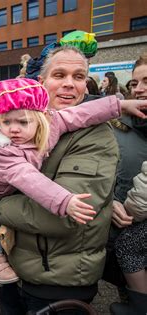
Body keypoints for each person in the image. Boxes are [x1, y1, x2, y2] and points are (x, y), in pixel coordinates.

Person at [0, 45, 131, 313]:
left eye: (79, 77)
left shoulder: (93, 136)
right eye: (60, 75)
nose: (69, 84)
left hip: (56, 280)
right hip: (17, 268)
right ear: (41, 83)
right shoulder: (24, 126)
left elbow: (68, 215)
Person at [108, 54, 147, 314]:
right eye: (134, 83)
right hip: (120, 233)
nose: (139, 88)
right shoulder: (115, 126)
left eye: (146, 81)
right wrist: (108, 201)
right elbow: (98, 176)